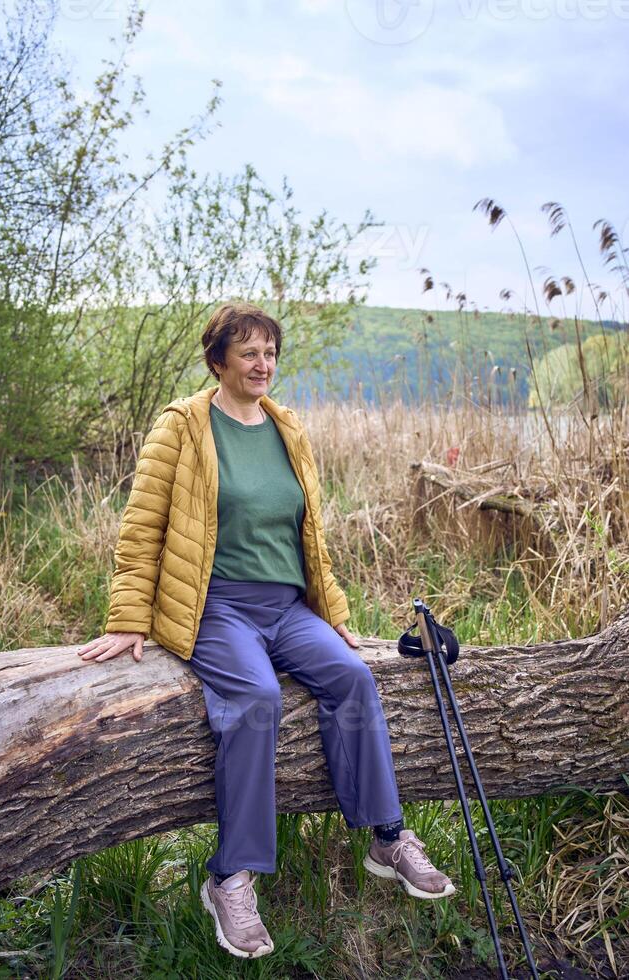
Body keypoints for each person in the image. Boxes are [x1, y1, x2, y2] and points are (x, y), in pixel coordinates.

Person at [77, 301, 455, 960]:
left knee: (352, 678)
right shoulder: (183, 427)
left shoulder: (287, 427)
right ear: (217, 359)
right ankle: (230, 876)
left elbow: (310, 534)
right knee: (257, 700)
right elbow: (141, 527)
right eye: (248, 352)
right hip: (215, 607)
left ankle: (388, 837)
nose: (262, 364)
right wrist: (130, 619)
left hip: (287, 609)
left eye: (270, 352)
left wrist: (333, 614)